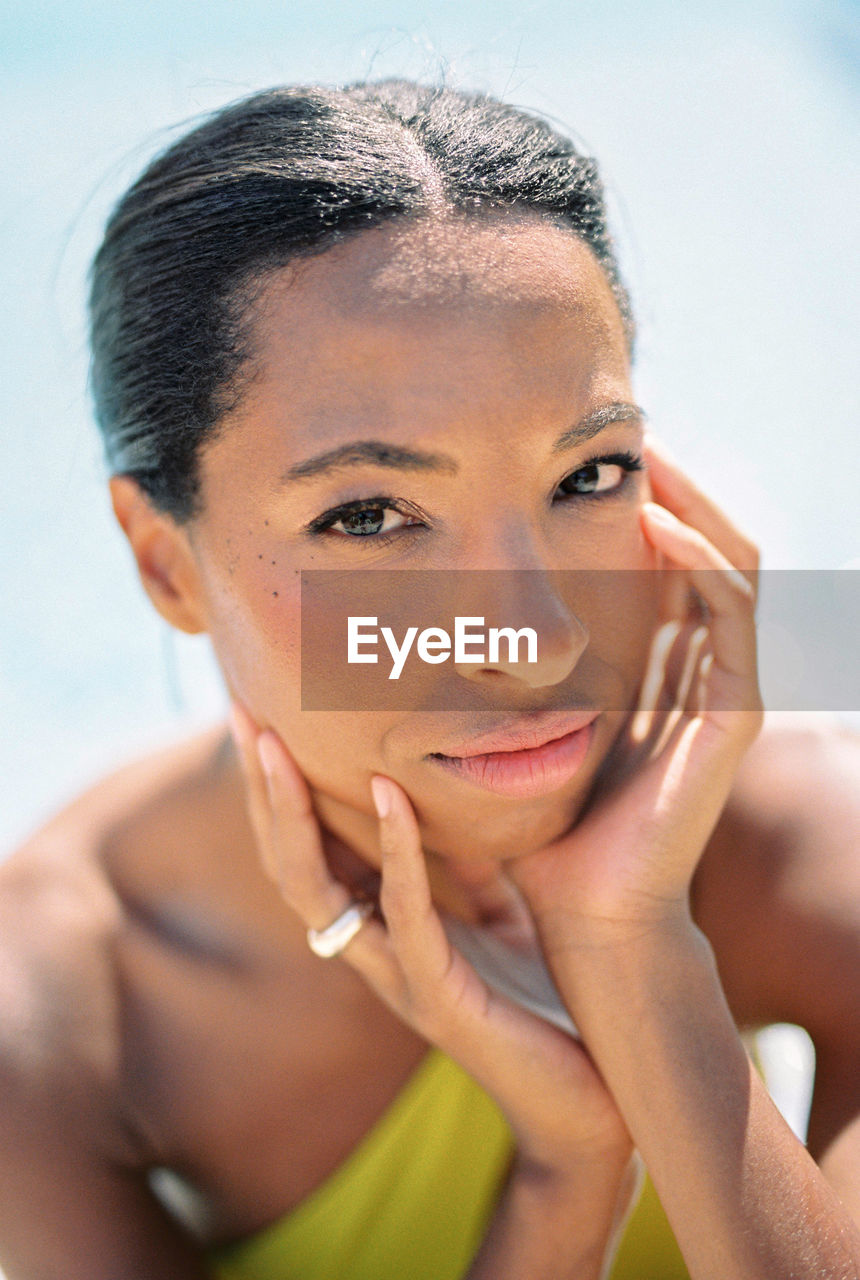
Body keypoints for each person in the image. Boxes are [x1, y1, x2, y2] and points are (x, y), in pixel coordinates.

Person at [0, 79, 858, 1280]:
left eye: (587, 476)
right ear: (162, 560)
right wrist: (564, 1178)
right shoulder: (61, 1008)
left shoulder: (774, 820)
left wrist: (629, 946)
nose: (540, 638)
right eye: (367, 514)